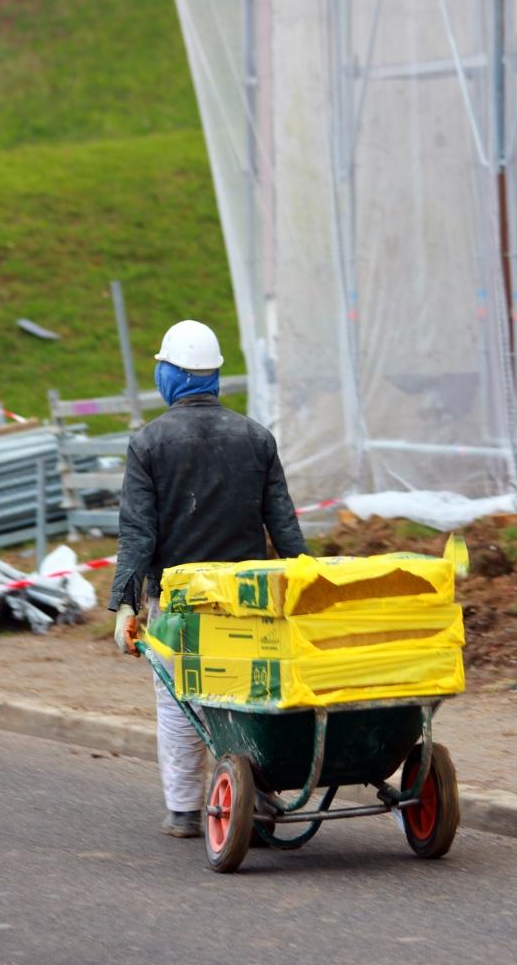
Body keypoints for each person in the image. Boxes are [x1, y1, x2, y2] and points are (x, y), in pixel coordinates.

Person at [109, 319, 307, 837]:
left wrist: (127, 606)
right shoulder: (256, 438)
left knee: (178, 704)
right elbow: (284, 527)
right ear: (213, 376)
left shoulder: (148, 444)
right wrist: (306, 587)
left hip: (177, 606)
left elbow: (138, 535)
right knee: (248, 701)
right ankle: (258, 802)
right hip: (250, 602)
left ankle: (183, 810)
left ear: (172, 374)